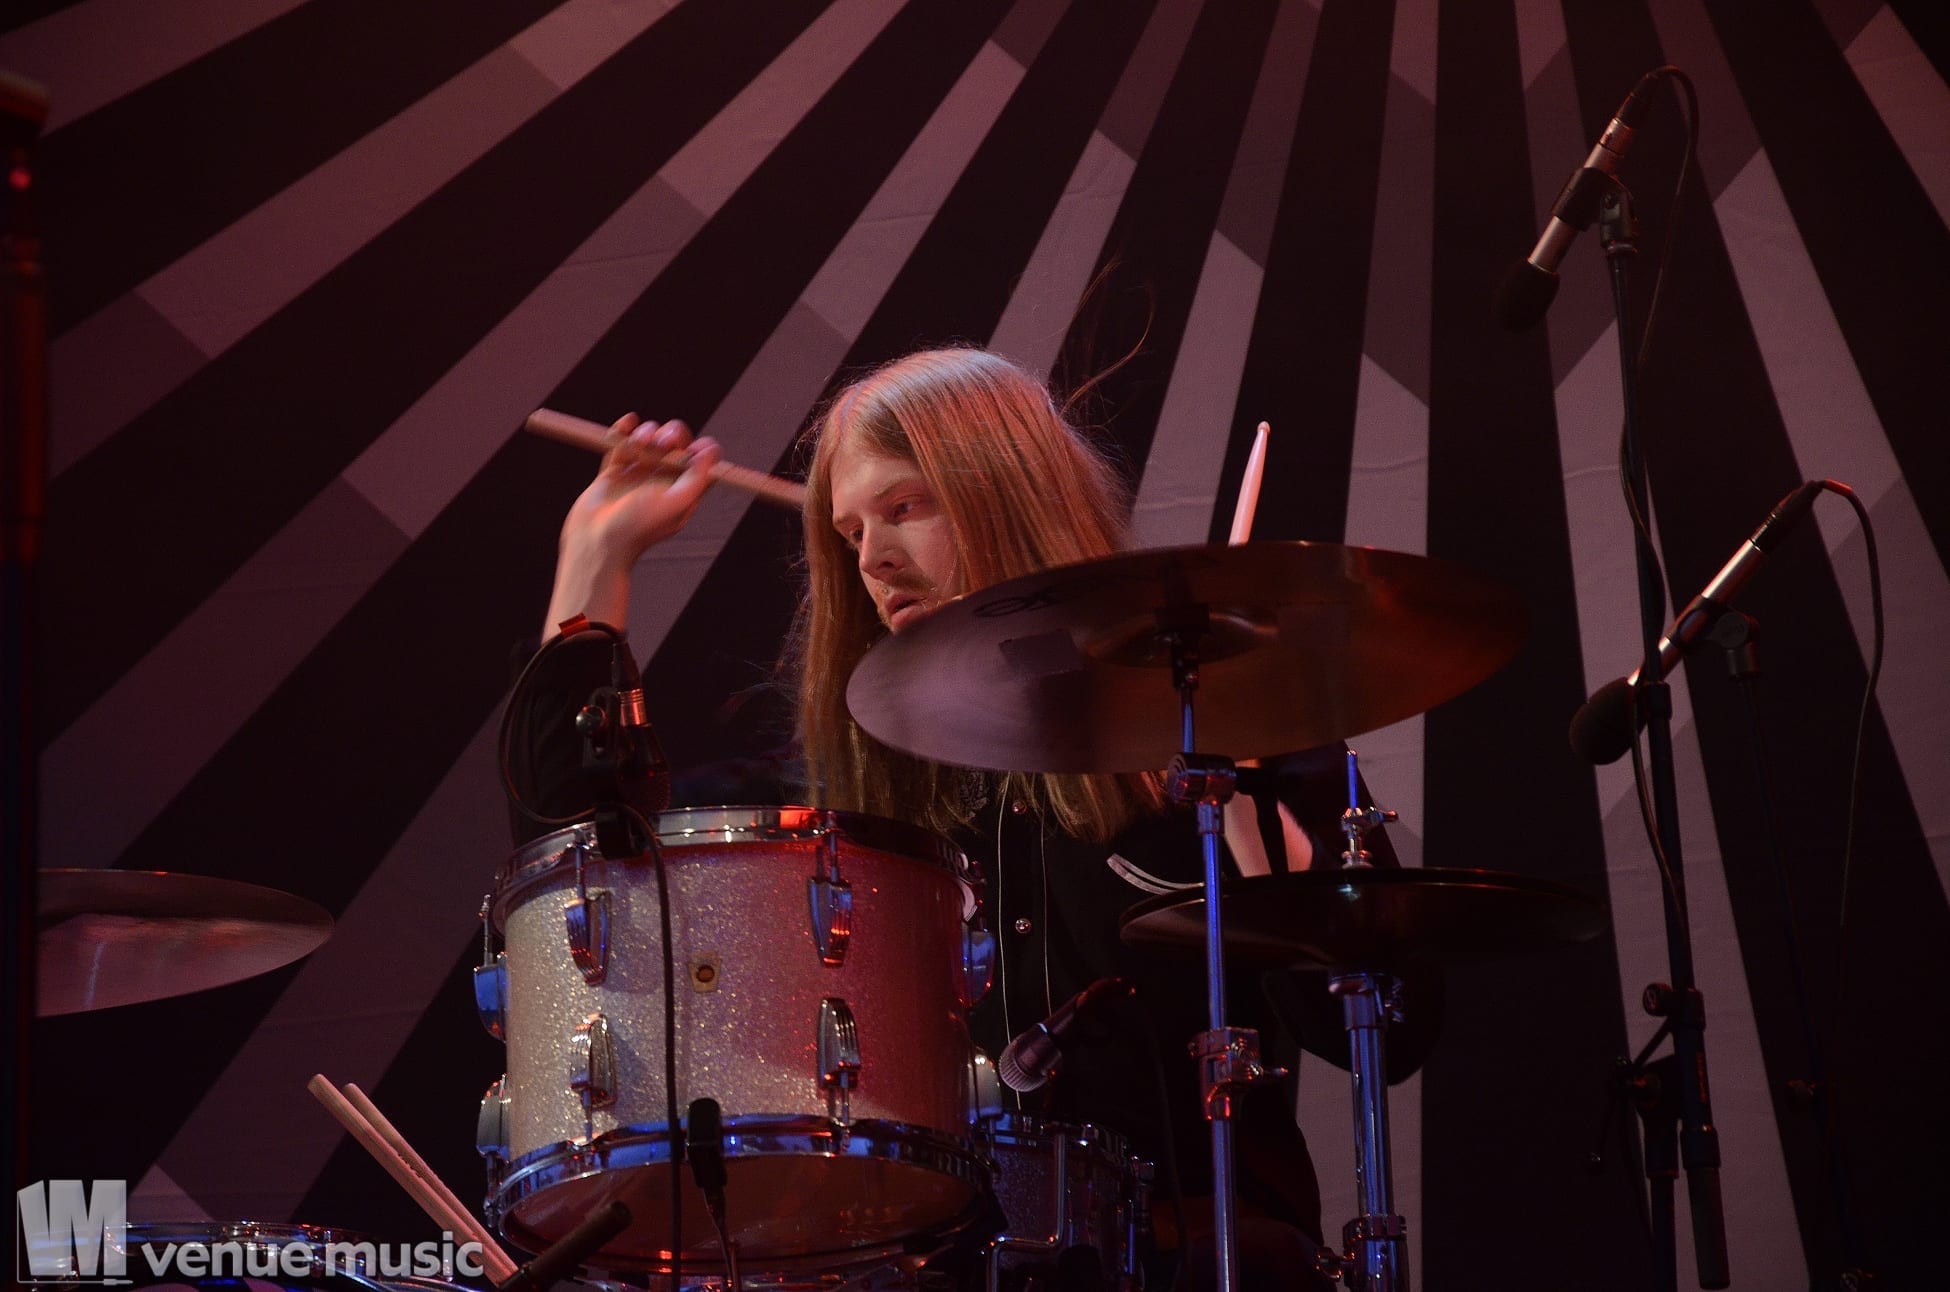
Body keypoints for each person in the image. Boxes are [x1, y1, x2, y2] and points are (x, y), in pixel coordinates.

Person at [509, 348, 1393, 1290]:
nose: (873, 560)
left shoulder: (1229, 723)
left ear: (1010, 496)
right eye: (851, 531)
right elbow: (592, 853)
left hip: (1209, 1258)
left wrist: (1239, 780)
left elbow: (1385, 1029)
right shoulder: (844, 793)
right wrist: (596, 556)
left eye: (904, 507)